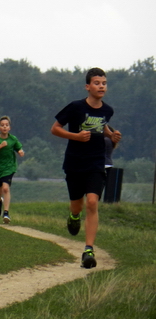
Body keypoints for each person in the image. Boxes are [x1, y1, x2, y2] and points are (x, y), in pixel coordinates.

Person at [51, 67, 122, 269]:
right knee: (77, 206)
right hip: (75, 162)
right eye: (97, 83)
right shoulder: (76, 107)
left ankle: (88, 250)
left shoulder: (108, 110)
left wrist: (111, 135)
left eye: (104, 83)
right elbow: (55, 129)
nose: (101, 86)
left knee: (92, 202)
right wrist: (76, 136)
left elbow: (101, 125)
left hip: (96, 163)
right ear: (87, 86)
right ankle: (74, 217)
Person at [0, 116, 25, 224]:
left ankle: (6, 213)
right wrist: (0, 146)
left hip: (9, 167)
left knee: (6, 189)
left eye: (6, 125)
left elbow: (18, 147)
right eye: (2, 125)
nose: (4, 127)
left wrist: (20, 151)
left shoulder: (13, 139)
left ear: (9, 128)